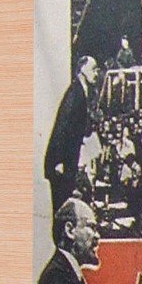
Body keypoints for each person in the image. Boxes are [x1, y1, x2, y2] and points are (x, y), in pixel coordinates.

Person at [43, 56, 99, 216]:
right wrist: (58, 161)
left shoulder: (83, 92)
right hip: (61, 163)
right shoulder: (75, 93)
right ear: (82, 70)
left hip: (69, 161)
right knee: (62, 209)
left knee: (66, 207)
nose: (96, 73)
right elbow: (62, 127)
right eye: (93, 69)